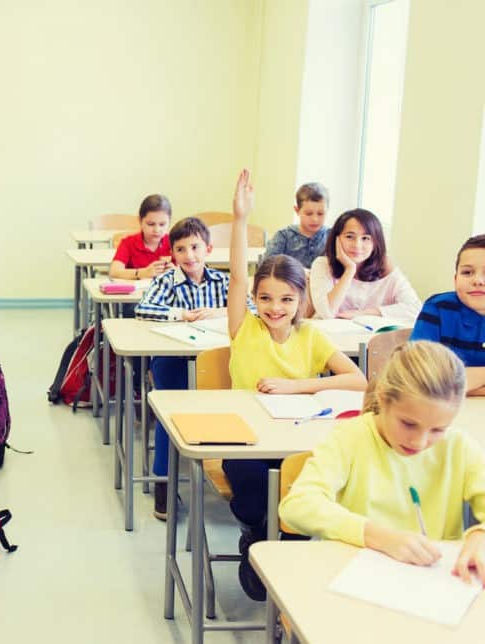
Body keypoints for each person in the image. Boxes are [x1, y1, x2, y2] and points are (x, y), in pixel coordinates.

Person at [227, 168, 367, 600]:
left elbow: (359, 380)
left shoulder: (311, 335)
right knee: (254, 495)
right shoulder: (244, 328)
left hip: (296, 436)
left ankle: (282, 550)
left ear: (301, 300)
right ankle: (259, 538)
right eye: (265, 298)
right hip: (245, 440)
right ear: (255, 298)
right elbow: (235, 276)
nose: (275, 308)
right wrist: (239, 220)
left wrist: (298, 386)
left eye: (287, 299)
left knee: (308, 485)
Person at [279, 341, 485, 580]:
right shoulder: (350, 437)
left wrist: (480, 534)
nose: (419, 442)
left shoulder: (458, 445)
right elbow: (297, 506)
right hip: (353, 577)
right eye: (408, 424)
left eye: (438, 429)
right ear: (383, 398)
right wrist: (376, 535)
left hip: (431, 583)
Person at [133, 216, 230, 520]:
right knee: (169, 411)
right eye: (181, 249)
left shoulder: (223, 281)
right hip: (173, 360)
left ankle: (230, 471)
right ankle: (164, 480)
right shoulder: (166, 281)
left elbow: (251, 309)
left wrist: (217, 312)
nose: (189, 255)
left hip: (215, 360)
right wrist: (181, 314)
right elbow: (144, 308)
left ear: (208, 249)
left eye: (195, 247)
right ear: (172, 254)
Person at [309, 208, 421, 322]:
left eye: (365, 238)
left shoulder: (386, 267)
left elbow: (415, 309)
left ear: (376, 242)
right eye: (349, 236)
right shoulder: (322, 265)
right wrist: (349, 270)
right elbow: (326, 313)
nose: (357, 245)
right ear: (336, 239)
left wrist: (363, 314)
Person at [411, 234, 485, 395]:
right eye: (467, 272)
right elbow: (418, 375)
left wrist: (454, 383)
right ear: (455, 278)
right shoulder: (438, 308)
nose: (478, 280)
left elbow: (441, 382)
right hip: (437, 410)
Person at [264, 182, 330, 269]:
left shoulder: (332, 236)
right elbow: (267, 267)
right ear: (297, 210)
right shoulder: (283, 236)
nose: (315, 219)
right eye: (309, 213)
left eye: (320, 214)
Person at [108, 194, 173, 280]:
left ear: (169, 222)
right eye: (150, 224)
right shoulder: (128, 243)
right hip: (135, 292)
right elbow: (114, 272)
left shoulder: (174, 242)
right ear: (140, 221)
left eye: (162, 224)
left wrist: (176, 272)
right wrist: (142, 273)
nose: (157, 230)